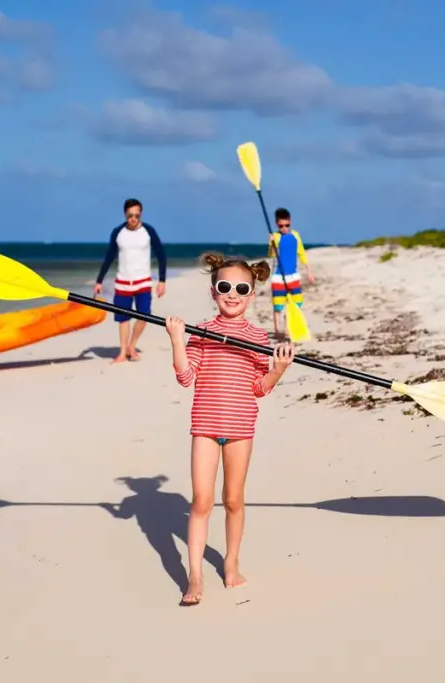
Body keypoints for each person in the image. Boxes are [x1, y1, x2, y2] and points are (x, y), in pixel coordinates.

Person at [165, 253, 295, 606]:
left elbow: (259, 387)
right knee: (201, 501)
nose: (232, 294)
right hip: (205, 427)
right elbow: (186, 377)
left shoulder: (256, 336)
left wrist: (278, 370)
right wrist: (177, 340)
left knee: (233, 500)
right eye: (225, 287)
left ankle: (231, 562)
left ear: (251, 294)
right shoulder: (202, 332)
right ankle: (194, 575)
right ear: (214, 291)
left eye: (241, 288)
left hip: (240, 428)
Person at [93, 198, 167, 363]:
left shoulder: (149, 231)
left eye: (136, 215)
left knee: (144, 316)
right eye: (130, 215)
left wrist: (162, 280)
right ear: (125, 214)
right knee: (123, 319)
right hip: (123, 283)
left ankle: (132, 346)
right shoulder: (118, 232)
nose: (133, 219)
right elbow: (109, 257)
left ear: (140, 214)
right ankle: (122, 352)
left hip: (143, 282)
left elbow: (161, 254)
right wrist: (99, 281)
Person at [267, 207, 314, 339]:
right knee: (278, 305)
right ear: (277, 224)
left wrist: (309, 271)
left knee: (297, 302)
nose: (284, 228)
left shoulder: (295, 235)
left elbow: (301, 253)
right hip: (278, 277)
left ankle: (288, 329)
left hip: (293, 275)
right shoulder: (275, 237)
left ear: (290, 222)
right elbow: (271, 254)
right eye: (281, 226)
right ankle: (277, 331)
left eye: (287, 225)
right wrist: (271, 244)